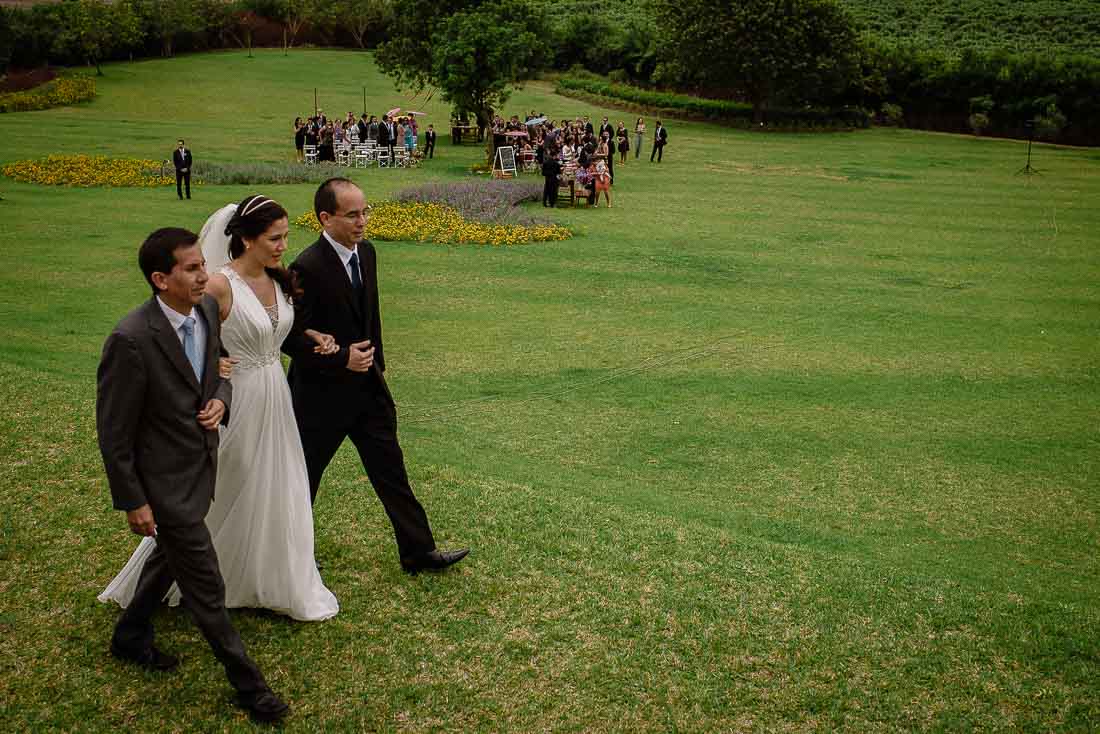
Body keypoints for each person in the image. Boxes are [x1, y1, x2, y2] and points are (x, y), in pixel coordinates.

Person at [100, 196, 341, 624]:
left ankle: (268, 575)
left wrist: (312, 338)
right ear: (246, 239)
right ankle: (181, 574)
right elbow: (182, 337)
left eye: (286, 236)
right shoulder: (218, 286)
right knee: (226, 483)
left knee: (278, 483)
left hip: (275, 395)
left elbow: (277, 334)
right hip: (238, 397)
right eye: (274, 238)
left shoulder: (279, 279)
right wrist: (214, 364)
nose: (284, 246)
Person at [96, 227, 289, 724]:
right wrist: (134, 501)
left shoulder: (205, 310)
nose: (206, 275)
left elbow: (220, 371)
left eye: (204, 264)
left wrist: (220, 402)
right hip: (163, 482)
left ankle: (129, 634)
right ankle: (251, 687)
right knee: (206, 585)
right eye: (191, 269)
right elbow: (114, 433)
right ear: (161, 279)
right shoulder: (130, 339)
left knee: (170, 555)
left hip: (203, 464)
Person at [283, 178, 470, 574]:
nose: (362, 221)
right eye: (352, 214)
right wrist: (341, 360)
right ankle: (292, 558)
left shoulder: (367, 253)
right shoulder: (306, 266)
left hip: (368, 392)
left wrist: (377, 367)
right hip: (320, 398)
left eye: (365, 212)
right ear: (325, 217)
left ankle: (418, 552)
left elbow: (371, 318)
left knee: (391, 471)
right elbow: (290, 337)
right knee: (303, 480)